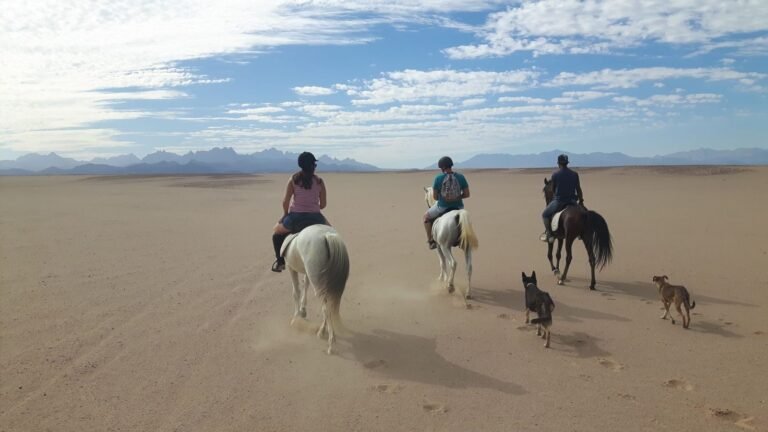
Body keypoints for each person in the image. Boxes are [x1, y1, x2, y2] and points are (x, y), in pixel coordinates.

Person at [271, 152, 329, 272]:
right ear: (313, 166)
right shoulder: (319, 181)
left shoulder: (293, 179)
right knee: (333, 236)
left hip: (295, 218)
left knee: (276, 234)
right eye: (315, 164)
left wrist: (285, 215)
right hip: (316, 218)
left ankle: (280, 262)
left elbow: (285, 201)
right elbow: (323, 205)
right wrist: (312, 207)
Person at [423, 156, 470, 249]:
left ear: (442, 167)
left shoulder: (438, 178)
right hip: (459, 207)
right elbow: (467, 194)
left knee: (426, 217)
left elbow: (435, 197)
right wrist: (457, 197)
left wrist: (445, 198)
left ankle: (431, 241)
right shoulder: (461, 177)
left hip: (442, 207)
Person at [541, 154, 584, 243]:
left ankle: (549, 234)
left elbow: (553, 190)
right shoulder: (575, 174)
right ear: (567, 163)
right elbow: (578, 189)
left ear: (559, 164)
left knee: (544, 215)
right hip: (572, 201)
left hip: (559, 201)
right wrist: (581, 201)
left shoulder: (555, 175)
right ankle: (582, 233)